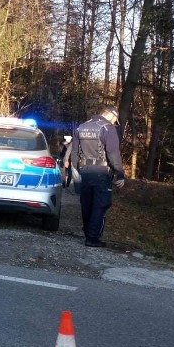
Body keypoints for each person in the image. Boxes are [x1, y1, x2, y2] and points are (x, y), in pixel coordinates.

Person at [69, 105, 125, 247]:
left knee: (86, 202)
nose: (114, 123)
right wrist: (119, 173)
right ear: (112, 116)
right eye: (115, 120)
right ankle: (92, 238)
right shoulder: (107, 128)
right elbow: (113, 154)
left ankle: (88, 231)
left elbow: (74, 152)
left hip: (84, 170)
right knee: (100, 204)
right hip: (101, 172)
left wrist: (76, 169)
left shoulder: (81, 127)